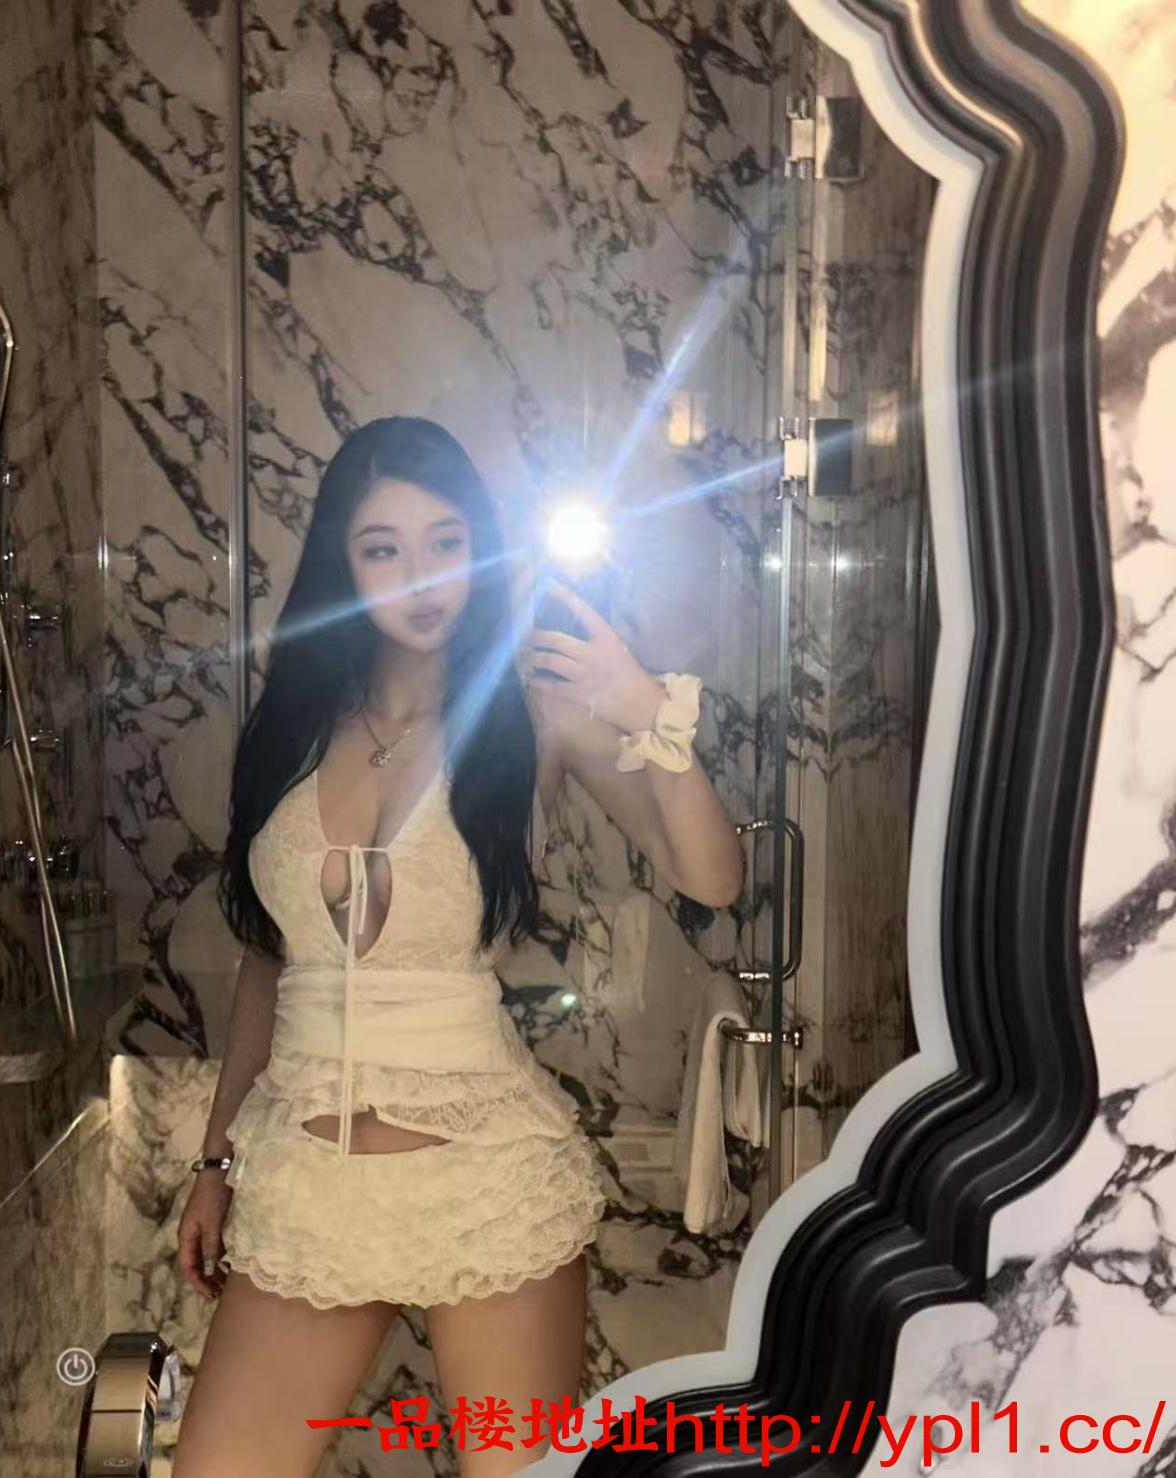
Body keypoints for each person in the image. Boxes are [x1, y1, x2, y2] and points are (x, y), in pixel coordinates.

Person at [171, 417, 746, 1477]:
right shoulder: (296, 722)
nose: (420, 578)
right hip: (305, 1177)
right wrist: (214, 1165)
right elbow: (269, 962)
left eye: (446, 542)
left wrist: (644, 706)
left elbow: (712, 875)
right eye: (383, 548)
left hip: (487, 1179)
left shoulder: (535, 711)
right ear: (344, 563)